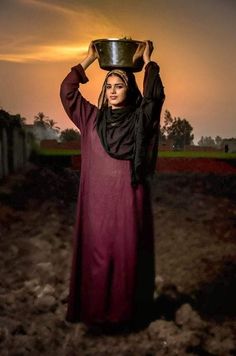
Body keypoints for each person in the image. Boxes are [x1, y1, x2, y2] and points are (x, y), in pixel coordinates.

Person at [60, 40, 165, 331]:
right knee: (97, 256)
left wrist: (148, 59)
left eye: (119, 85)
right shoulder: (91, 117)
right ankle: (96, 316)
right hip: (97, 205)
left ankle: (125, 318)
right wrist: (90, 58)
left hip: (129, 202)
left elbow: (154, 99)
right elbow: (67, 92)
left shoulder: (139, 120)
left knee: (126, 255)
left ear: (129, 88)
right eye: (109, 86)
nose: (113, 91)